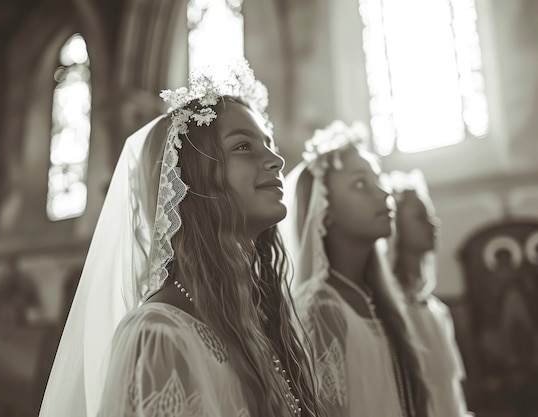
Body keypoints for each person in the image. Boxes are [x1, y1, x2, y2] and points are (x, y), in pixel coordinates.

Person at [38, 59, 319, 417]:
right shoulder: (159, 335)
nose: (276, 159)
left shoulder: (259, 321)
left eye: (267, 143)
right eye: (244, 147)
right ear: (191, 180)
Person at [281, 121, 429, 417]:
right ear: (325, 209)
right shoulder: (320, 308)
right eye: (360, 184)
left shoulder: (379, 298)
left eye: (377, 180)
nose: (382, 194)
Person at [386, 169, 472, 417]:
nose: (434, 223)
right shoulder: (389, 309)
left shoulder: (436, 310)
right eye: (420, 217)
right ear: (395, 227)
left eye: (431, 215)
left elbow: (452, 390)